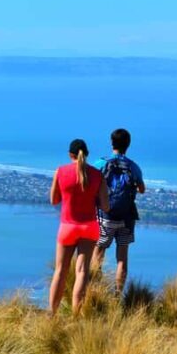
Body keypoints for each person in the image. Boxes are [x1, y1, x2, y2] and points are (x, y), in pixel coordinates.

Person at [49, 139, 109, 316]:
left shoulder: (61, 171)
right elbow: (106, 206)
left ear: (70, 155)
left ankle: (52, 314)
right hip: (89, 227)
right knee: (82, 271)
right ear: (87, 154)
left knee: (61, 271)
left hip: (67, 226)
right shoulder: (97, 175)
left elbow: (53, 200)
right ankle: (77, 315)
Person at [93, 128, 145, 294]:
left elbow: (90, 181)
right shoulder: (133, 166)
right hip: (126, 218)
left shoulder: (101, 163)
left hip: (105, 215)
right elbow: (142, 189)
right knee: (122, 258)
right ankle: (117, 295)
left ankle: (95, 289)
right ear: (128, 145)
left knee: (98, 252)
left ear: (111, 142)